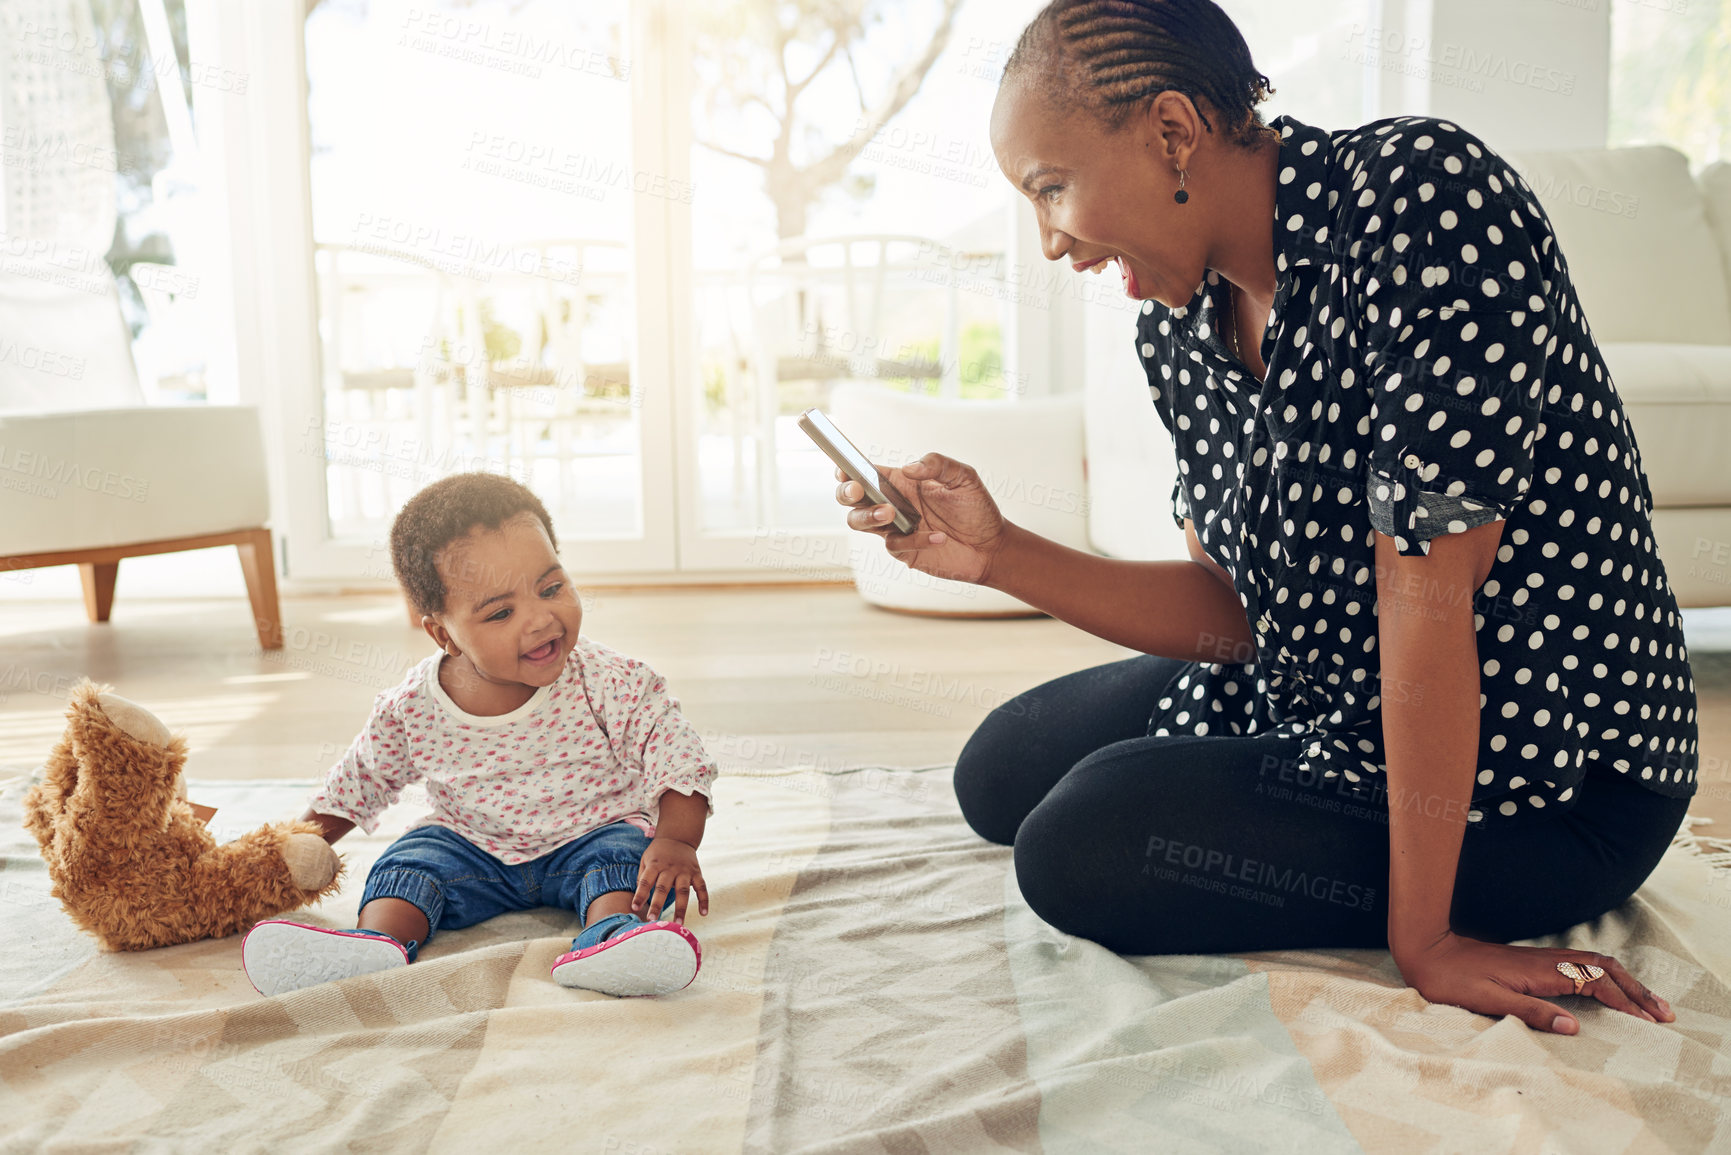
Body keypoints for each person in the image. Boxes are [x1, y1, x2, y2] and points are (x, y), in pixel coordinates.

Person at [833, 0, 1694, 1036]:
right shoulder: (1182, 328)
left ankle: (1440, 884)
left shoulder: (1426, 201)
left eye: (1050, 190)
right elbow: (1233, 615)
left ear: (1171, 131)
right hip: (1328, 696)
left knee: (1078, 845)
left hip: (1544, 774)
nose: (1052, 243)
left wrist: (1429, 939)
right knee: (999, 774)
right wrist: (996, 553)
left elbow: (1426, 600)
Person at [242, 473, 716, 998]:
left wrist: (674, 840)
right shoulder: (413, 707)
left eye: (552, 587)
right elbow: (358, 781)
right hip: (470, 846)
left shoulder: (607, 681)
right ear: (444, 634)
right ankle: (373, 944)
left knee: (628, 861)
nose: (540, 619)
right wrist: (282, 857)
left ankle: (615, 938)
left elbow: (676, 755)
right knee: (408, 863)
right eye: (501, 612)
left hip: (593, 835)